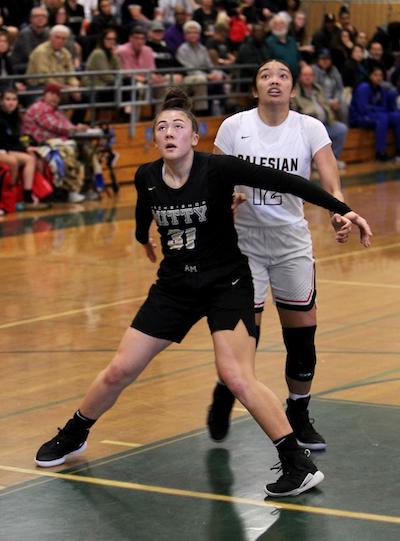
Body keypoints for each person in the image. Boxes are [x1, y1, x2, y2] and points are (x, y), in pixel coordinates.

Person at [34, 87, 371, 498]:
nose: (169, 132)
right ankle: (74, 433)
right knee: (121, 369)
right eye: (162, 127)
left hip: (226, 284)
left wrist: (341, 208)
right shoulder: (146, 176)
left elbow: (286, 181)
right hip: (174, 287)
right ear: (155, 139)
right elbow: (144, 212)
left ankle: (297, 465)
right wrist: (143, 237)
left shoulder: (218, 170)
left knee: (236, 375)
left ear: (194, 137)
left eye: (179, 126)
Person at [207, 59, 370, 449]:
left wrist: (338, 212)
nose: (274, 81)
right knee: (247, 335)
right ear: (255, 88)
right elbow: (210, 179)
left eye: (282, 76)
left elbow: (330, 180)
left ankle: (298, 409)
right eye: (265, 75)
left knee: (302, 337)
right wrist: (223, 201)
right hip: (244, 243)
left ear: (293, 89)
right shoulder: (235, 127)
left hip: (290, 242)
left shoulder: (309, 127)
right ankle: (226, 388)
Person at [0, 88, 49, 210]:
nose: (11, 102)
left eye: (14, 99)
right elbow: (5, 141)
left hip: (8, 148)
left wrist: (27, 147)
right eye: (7, 99)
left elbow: (17, 138)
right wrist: (22, 149)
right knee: (25, 160)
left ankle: (37, 193)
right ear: (1, 101)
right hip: (3, 149)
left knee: (36, 157)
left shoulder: (15, 117)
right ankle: (20, 196)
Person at [292, 63, 348, 170]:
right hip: (308, 128)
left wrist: (330, 115)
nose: (308, 77)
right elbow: (294, 111)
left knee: (341, 129)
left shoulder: (318, 89)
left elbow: (326, 104)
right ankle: (315, 162)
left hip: (325, 124)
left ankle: (332, 159)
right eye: (305, 75)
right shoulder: (295, 91)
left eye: (310, 75)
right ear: (300, 76)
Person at [349, 66, 400, 162]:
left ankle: (398, 150)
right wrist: (379, 110)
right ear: (370, 76)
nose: (379, 78)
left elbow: (384, 107)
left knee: (397, 117)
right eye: (376, 75)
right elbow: (363, 108)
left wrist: (378, 110)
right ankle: (380, 152)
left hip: (376, 115)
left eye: (380, 75)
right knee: (382, 118)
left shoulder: (381, 89)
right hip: (359, 117)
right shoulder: (363, 87)